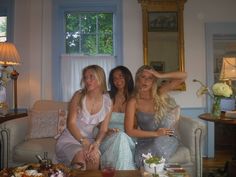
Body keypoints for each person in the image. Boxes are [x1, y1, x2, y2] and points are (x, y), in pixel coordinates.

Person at [125, 65, 187, 168]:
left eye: (150, 78)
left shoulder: (160, 92)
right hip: (148, 138)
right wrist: (155, 133)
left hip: (167, 136)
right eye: (143, 77)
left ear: (154, 81)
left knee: (157, 145)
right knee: (143, 155)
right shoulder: (133, 102)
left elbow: (184, 76)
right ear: (138, 79)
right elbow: (129, 131)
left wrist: (160, 75)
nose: (146, 81)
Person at [55, 65, 112, 170]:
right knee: (81, 159)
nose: (87, 80)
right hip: (70, 140)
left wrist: (96, 144)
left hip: (89, 142)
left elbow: (103, 129)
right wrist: (84, 142)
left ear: (100, 78)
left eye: (91, 77)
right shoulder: (79, 95)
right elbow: (71, 124)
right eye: (85, 77)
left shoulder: (108, 102)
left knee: (94, 158)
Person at [99, 66, 136, 170]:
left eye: (121, 77)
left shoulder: (136, 97)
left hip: (130, 140)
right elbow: (97, 122)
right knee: (120, 137)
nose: (118, 81)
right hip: (107, 138)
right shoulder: (107, 96)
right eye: (114, 78)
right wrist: (107, 131)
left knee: (122, 137)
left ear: (128, 77)